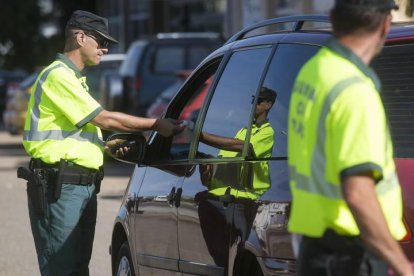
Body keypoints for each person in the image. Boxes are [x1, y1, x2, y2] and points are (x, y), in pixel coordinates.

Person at [21, 10, 183, 276]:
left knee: (76, 268)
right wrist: (155, 124)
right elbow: (104, 119)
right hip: (60, 187)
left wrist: (102, 146)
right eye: (101, 41)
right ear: (80, 37)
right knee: (63, 269)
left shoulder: (74, 79)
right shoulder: (58, 76)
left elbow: (75, 131)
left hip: (78, 186)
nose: (105, 49)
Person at [287, 0, 413, 275]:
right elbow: (358, 193)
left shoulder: (313, 72)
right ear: (385, 24)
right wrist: (403, 267)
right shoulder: (355, 90)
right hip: (352, 256)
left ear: (333, 17)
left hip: (317, 249)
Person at [199, 87, 276, 198]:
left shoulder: (267, 132)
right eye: (253, 100)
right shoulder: (243, 131)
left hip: (248, 198)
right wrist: (208, 170)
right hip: (224, 195)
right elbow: (227, 159)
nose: (254, 104)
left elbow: (245, 148)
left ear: (268, 105)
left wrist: (200, 136)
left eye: (258, 101)